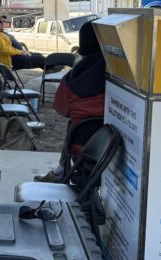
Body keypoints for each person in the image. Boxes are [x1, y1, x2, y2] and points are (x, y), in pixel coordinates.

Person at [36, 20, 106, 182]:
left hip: (82, 149)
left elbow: (61, 108)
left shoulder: (72, 78)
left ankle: (61, 171)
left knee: (73, 125)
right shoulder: (118, 76)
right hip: (113, 150)